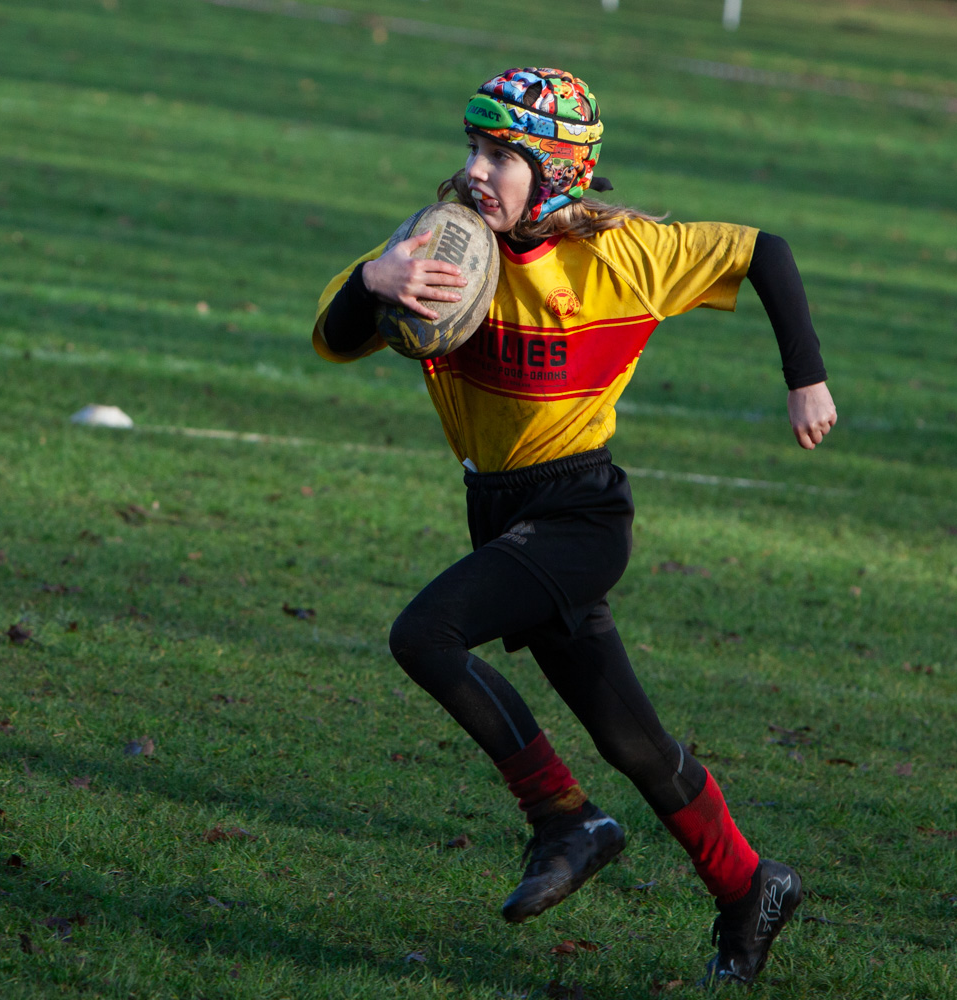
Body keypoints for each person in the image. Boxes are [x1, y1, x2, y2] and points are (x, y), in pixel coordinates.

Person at [310, 67, 837, 984]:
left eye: (502, 154)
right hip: (499, 511)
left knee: (425, 636)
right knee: (633, 741)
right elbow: (332, 336)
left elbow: (766, 250)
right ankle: (752, 885)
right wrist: (373, 279)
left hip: (580, 513)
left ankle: (564, 819)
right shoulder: (438, 246)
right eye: (473, 148)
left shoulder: (629, 257)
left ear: (556, 171)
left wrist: (807, 377)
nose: (477, 170)